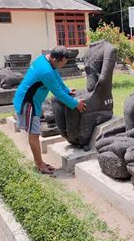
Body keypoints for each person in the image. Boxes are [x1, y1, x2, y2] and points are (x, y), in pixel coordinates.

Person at [13, 46, 86, 174]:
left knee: (34, 132)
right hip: (27, 103)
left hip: (32, 101)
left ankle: (39, 161)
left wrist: (67, 89)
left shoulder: (45, 60)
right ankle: (40, 164)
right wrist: (75, 104)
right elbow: (57, 93)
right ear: (54, 58)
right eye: (62, 63)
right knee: (34, 134)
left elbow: (56, 77)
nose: (62, 66)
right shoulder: (45, 70)